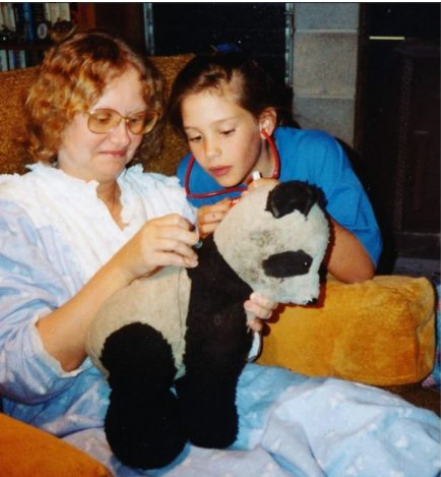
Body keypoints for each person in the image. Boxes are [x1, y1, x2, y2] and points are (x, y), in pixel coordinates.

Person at [0, 32, 439, 477]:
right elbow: (19, 376)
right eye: (104, 118)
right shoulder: (15, 211)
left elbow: (212, 311)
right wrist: (125, 265)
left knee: (379, 424)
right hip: (100, 415)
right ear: (56, 114)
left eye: (136, 119)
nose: (123, 136)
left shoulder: (166, 195)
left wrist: (244, 314)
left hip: (217, 388)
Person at [169, 52, 382, 283]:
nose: (209, 152)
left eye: (226, 131)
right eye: (195, 137)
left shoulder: (316, 155)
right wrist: (199, 237)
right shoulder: (191, 177)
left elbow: (361, 272)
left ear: (264, 123)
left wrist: (301, 209)